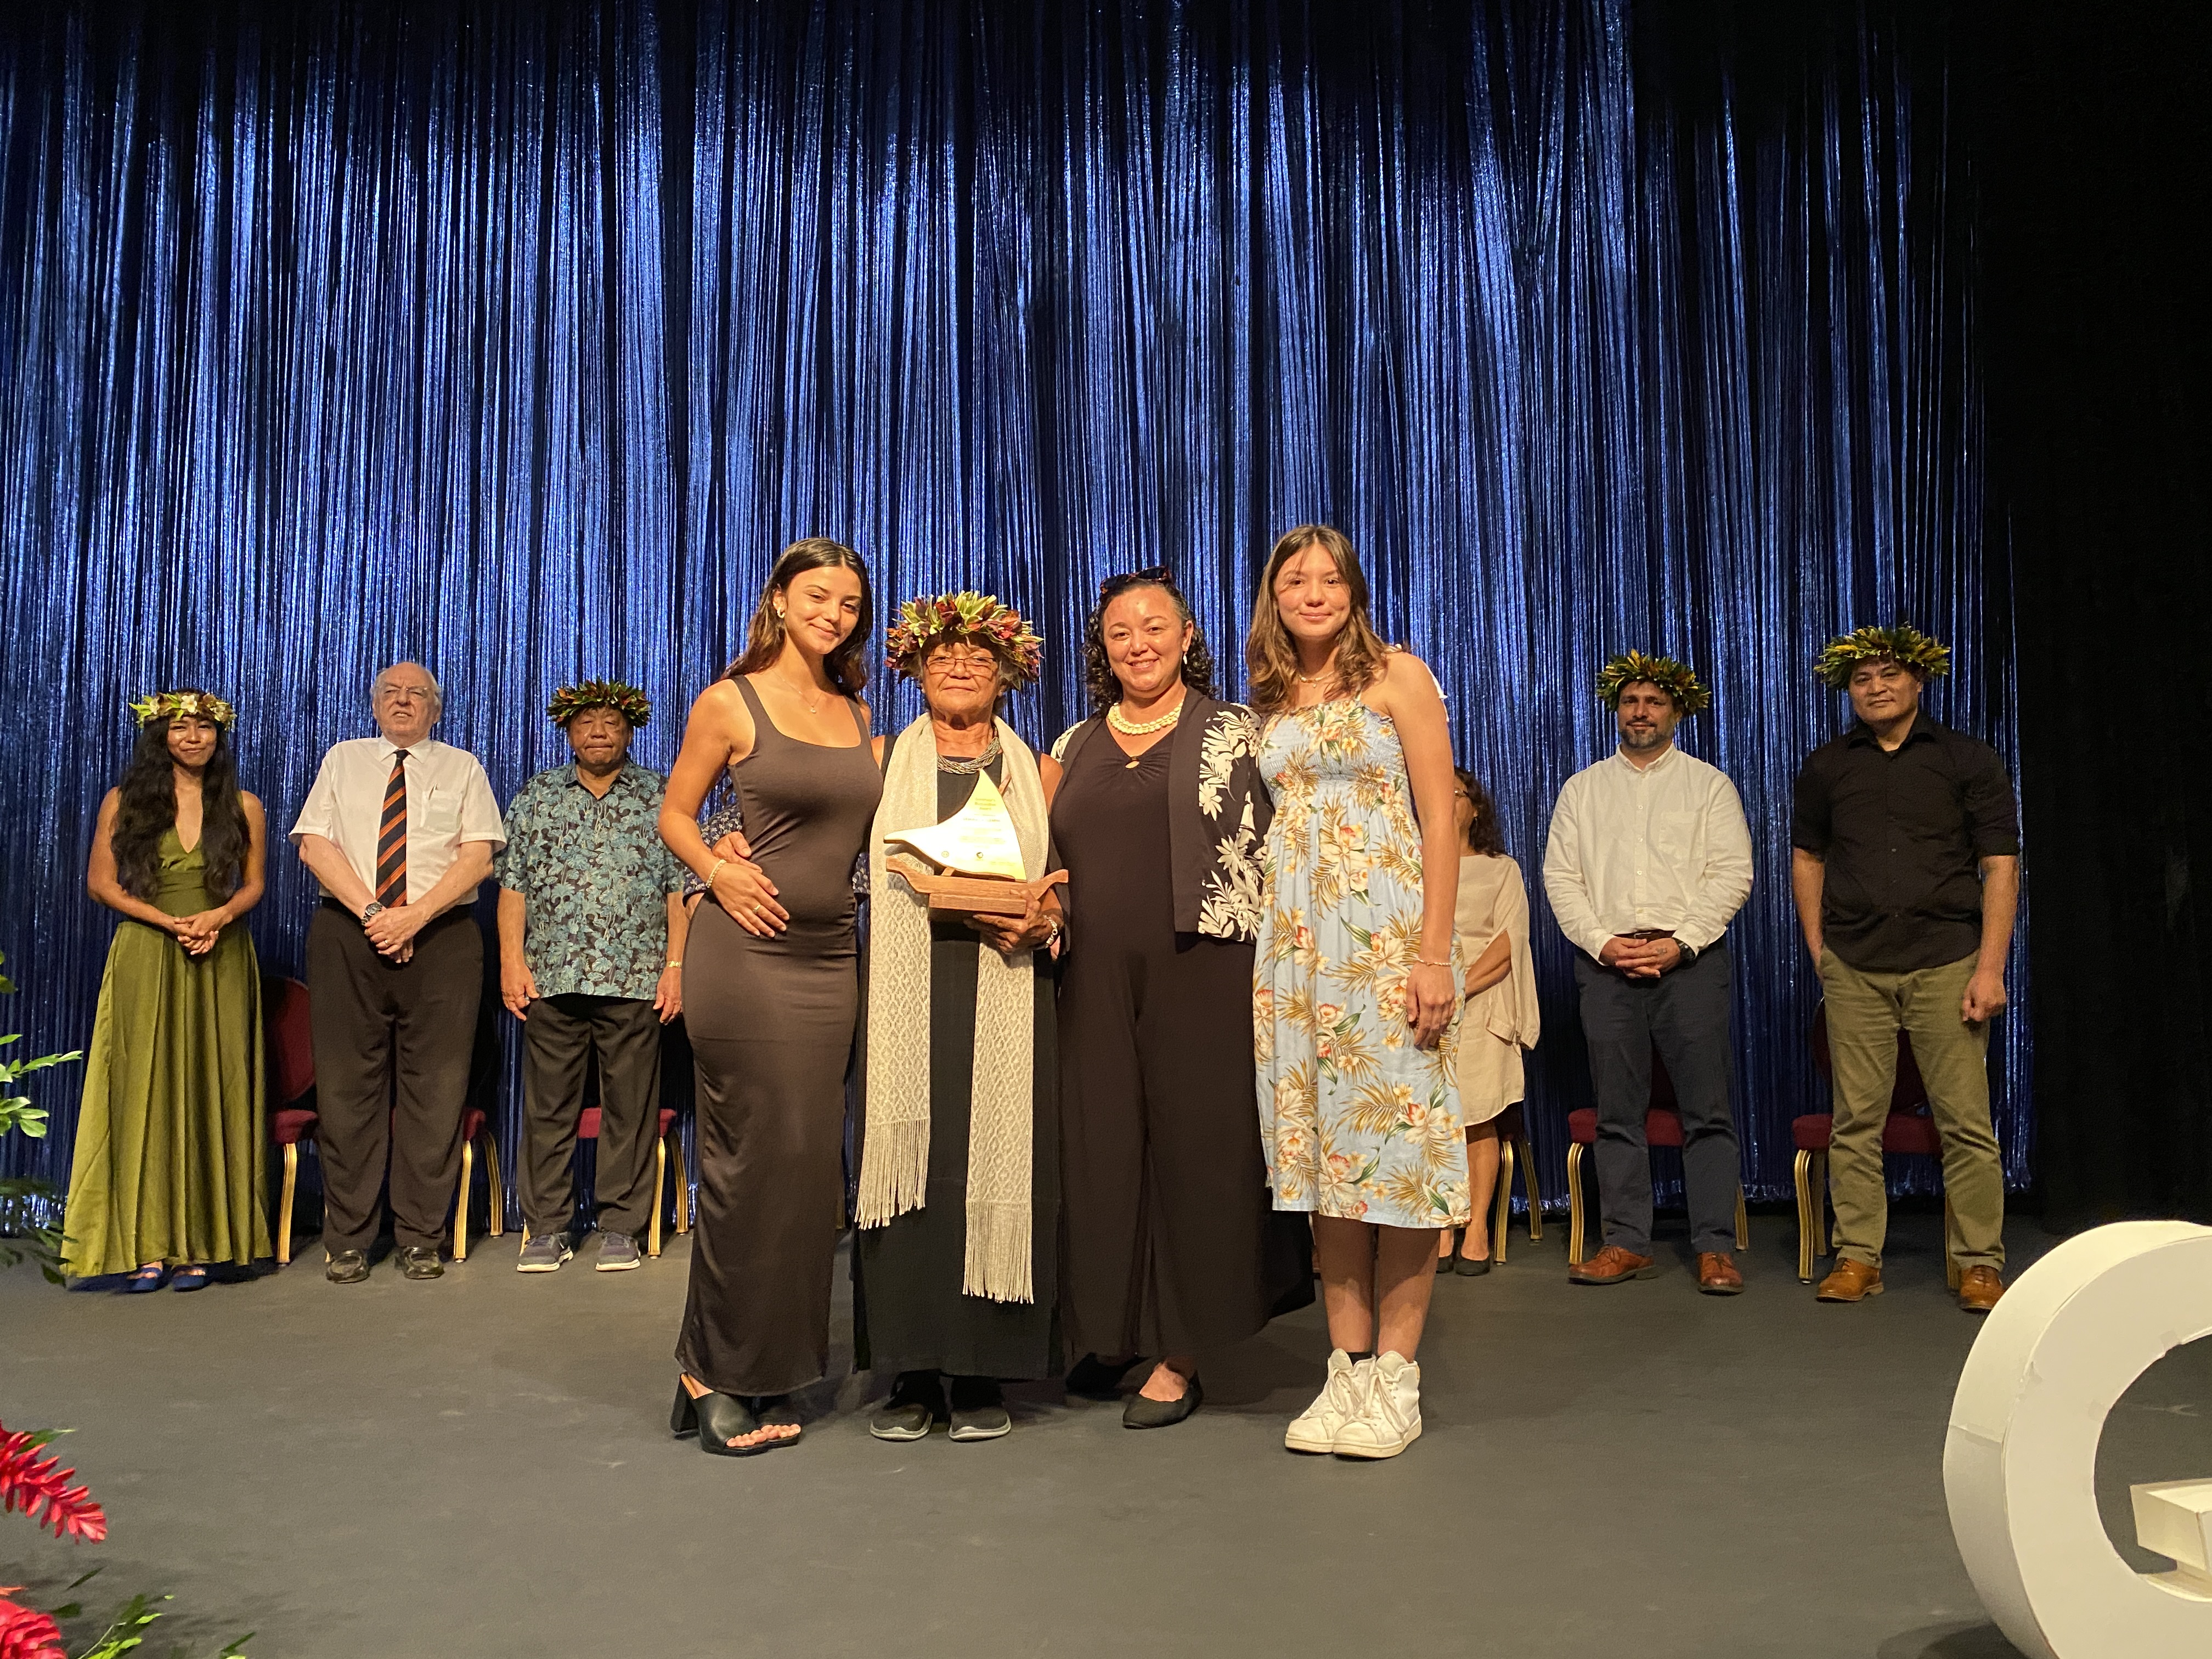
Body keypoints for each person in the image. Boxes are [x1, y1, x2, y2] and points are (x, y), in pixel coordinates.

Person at [1046, 567, 1310, 1431]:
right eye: (1121, 632)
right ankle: (1114, 1330)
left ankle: (1183, 1349)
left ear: (1188, 636)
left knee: (1198, 1154)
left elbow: (1294, 841)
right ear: (1103, 646)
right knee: (1103, 1153)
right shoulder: (1072, 744)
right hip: (1091, 976)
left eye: (1155, 627)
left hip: (1204, 968)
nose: (1139, 645)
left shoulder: (1239, 731)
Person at [660, 538, 882, 1456]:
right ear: (781, 600)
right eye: (818, 596)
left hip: (831, 959)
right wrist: (718, 867)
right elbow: (674, 811)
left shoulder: (857, 710)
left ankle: (757, 1362)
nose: (834, 614)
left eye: (851, 603)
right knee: (749, 1161)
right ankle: (714, 1371)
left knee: (804, 1169)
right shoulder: (731, 700)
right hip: (746, 954)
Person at [1250, 525, 1466, 1462]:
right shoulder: (1270, 697)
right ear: (1273, 596)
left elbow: (1441, 820)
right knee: (1325, 1171)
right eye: (1295, 579)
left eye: (1329, 578)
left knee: (1398, 1166)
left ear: (1354, 591)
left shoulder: (1399, 678)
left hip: (1384, 947)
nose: (1313, 593)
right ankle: (1345, 1369)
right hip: (1294, 959)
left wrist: (1433, 954)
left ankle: (1397, 1377)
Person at [855, 592, 1062, 1444]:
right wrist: (724, 849)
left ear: (1007, 675)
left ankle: (981, 1369)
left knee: (992, 1167)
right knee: (914, 1180)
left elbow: (1069, 883)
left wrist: (1047, 920)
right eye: (944, 656)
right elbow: (797, 823)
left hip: (1007, 987)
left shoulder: (1040, 772)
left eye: (980, 658)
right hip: (902, 993)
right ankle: (908, 1369)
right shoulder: (879, 760)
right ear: (914, 668)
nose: (962, 668)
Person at [1791, 623, 2020, 1314]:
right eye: (1862, 680)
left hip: (1946, 960)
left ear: (1919, 681)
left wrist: (1990, 968)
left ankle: (1979, 1263)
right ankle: (1858, 1256)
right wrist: (1820, 949)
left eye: (1889, 675)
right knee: (1855, 1122)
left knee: (1965, 1123)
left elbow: (2000, 866)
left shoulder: (1966, 759)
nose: (1876, 688)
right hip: (1856, 964)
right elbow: (1807, 858)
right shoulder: (1828, 766)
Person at [1542, 652, 1753, 1295]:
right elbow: (1561, 878)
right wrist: (1604, 944)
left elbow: (1732, 874)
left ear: (1677, 712)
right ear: (1617, 711)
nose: (1641, 712)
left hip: (1690, 965)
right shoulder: (1582, 790)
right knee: (1617, 1112)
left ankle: (1714, 1248)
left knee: (1707, 1111)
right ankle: (1626, 1243)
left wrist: (1680, 944)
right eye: (1631, 701)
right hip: (1607, 969)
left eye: (1654, 702)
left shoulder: (1709, 786)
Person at [292, 663, 503, 1285]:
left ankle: (420, 1237)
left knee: (435, 1091)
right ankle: (348, 1240)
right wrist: (376, 915)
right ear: (374, 705)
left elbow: (479, 856)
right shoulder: (343, 759)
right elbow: (314, 845)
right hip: (348, 933)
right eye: (391, 693)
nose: (403, 702)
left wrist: (414, 917)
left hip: (441, 937)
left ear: (436, 710)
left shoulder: (462, 767)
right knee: (345, 1090)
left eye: (417, 695)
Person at [65, 690, 270, 1288]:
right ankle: (148, 1246)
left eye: (204, 727)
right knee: (143, 1091)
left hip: (219, 953)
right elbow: (101, 884)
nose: (194, 737)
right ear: (160, 736)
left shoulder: (245, 805)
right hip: (147, 954)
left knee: (212, 1085)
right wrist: (170, 922)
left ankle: (203, 1244)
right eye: (181, 727)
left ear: (218, 736)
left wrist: (217, 918)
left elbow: (254, 885)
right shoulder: (124, 801)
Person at [496, 679, 687, 1274]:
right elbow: (513, 887)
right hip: (552, 978)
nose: (598, 732)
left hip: (635, 978)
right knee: (547, 1110)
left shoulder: (661, 795)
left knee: (630, 1110)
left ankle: (621, 1228)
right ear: (568, 732)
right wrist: (511, 961)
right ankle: (547, 1228)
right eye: (586, 723)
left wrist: (676, 968)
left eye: (610, 722)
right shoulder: (537, 796)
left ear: (629, 730)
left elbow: (679, 891)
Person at [1437, 768, 1539, 1276]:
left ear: (1475, 809)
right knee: (1434, 1121)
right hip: (1425, 1006)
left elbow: (1508, 943)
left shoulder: (1502, 871)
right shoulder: (1414, 866)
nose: (1444, 799)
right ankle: (1441, 1224)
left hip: (1481, 1002)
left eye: (1455, 792)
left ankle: (1475, 1226)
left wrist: (1457, 989)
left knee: (1477, 1116)